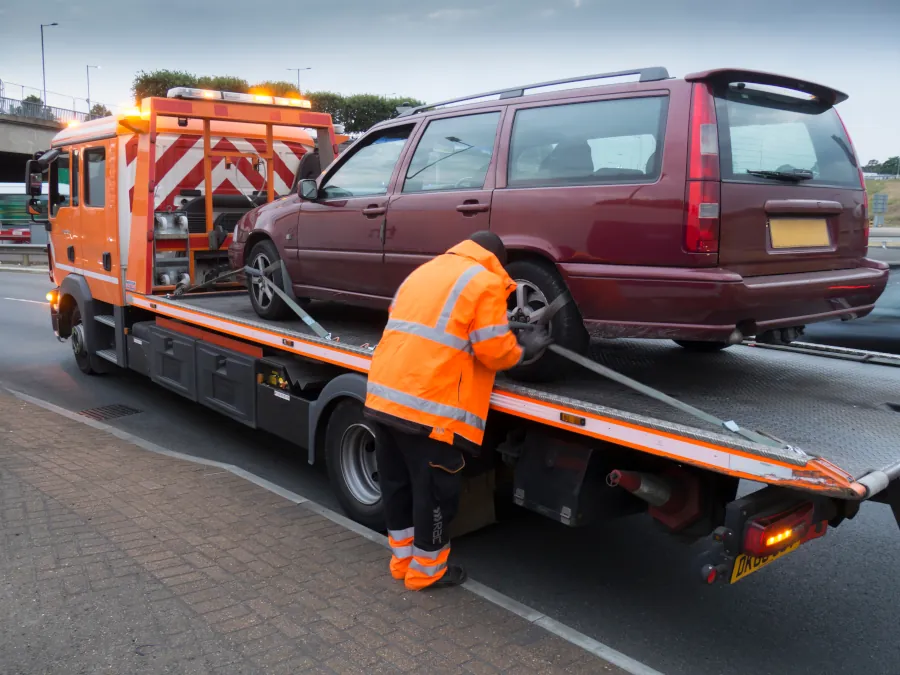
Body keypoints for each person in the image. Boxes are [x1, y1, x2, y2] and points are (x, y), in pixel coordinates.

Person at [364, 231, 552, 590]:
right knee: (433, 492)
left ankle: (402, 562)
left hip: (383, 399)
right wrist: (522, 348)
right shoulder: (485, 282)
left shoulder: (424, 273)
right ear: (497, 259)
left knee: (397, 486)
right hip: (429, 411)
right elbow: (493, 352)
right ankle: (427, 572)